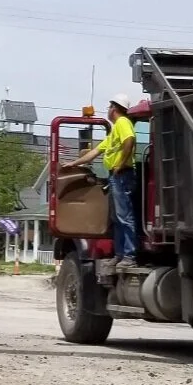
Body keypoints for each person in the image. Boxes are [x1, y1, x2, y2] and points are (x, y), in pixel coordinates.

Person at [63, 93, 137, 265]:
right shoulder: (113, 133)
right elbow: (94, 153)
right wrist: (74, 163)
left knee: (125, 216)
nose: (108, 110)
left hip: (122, 175)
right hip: (115, 177)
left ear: (115, 108)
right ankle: (120, 255)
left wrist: (120, 163)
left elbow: (130, 140)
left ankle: (129, 255)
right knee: (117, 217)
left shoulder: (123, 123)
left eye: (109, 107)